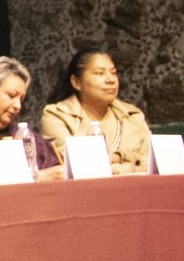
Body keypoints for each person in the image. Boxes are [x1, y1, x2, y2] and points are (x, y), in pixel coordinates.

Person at [39, 47, 152, 175]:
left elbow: (150, 163)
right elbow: (76, 167)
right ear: (76, 82)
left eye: (113, 73)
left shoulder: (133, 116)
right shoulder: (57, 116)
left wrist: (119, 157)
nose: (111, 80)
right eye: (99, 73)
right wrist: (128, 166)